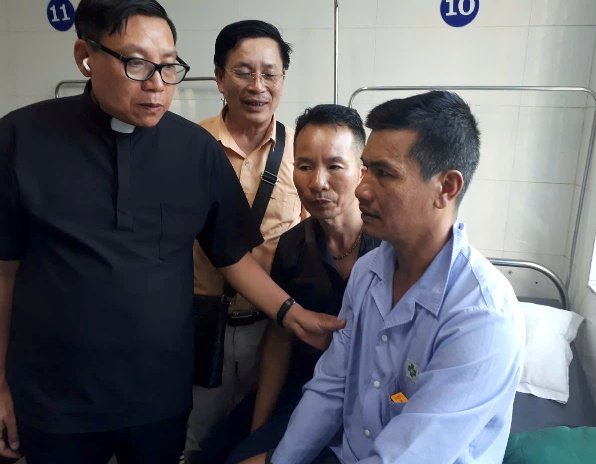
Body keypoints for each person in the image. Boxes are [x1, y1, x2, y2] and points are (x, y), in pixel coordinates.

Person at [0, 2, 341, 463]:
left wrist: (292, 314)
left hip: (158, 399)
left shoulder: (195, 151)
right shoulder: (21, 139)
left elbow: (232, 256)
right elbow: (4, 273)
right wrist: (0, 384)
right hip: (55, 401)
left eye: (168, 67)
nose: (157, 85)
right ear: (85, 55)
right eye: (137, 64)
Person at [240, 91, 525, 464]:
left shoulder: (481, 316)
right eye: (367, 168)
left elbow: (410, 455)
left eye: (385, 173)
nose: (362, 189)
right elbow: (332, 386)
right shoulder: (369, 272)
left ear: (446, 188)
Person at [193, 104, 380, 464]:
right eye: (305, 166)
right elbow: (279, 341)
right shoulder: (294, 247)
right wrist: (257, 429)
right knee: (219, 453)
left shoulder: (389, 247)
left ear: (362, 170)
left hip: (370, 396)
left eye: (335, 166)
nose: (317, 182)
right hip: (304, 387)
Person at [186, 20, 308, 462]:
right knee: (195, 437)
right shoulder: (187, 147)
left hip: (273, 328)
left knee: (259, 437)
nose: (258, 86)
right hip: (197, 324)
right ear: (219, 77)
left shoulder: (304, 155)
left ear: (282, 79)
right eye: (243, 71)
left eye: (269, 73)